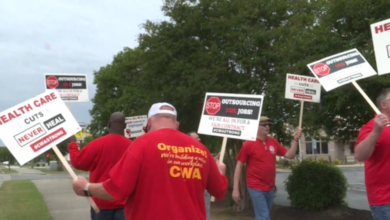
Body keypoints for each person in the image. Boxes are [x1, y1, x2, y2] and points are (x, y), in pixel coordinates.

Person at [72, 102, 228, 220]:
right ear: (176, 124)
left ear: (149, 122)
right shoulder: (200, 149)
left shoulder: (142, 144)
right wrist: (221, 172)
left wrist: (86, 188)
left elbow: (116, 189)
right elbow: (220, 191)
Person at [232, 116, 302, 220]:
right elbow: (239, 166)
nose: (267, 127)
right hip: (255, 187)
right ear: (256, 127)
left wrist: (295, 139)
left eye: (268, 124)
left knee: (262, 216)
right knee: (264, 217)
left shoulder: (273, 142)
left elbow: (290, 155)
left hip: (269, 188)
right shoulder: (248, 144)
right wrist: (235, 189)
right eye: (264, 125)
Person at [68, 112, 132, 220]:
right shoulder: (133, 147)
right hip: (125, 205)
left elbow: (77, 162)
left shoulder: (97, 144)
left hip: (100, 204)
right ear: (125, 126)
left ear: (109, 124)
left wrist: (72, 143)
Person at [354, 88, 390, 220]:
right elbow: (359, 155)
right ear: (384, 104)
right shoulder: (371, 127)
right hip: (385, 201)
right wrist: (376, 131)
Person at [187, 131, 211, 220]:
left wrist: (217, 157)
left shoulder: (203, 151)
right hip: (191, 188)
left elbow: (208, 163)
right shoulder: (184, 153)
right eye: (197, 138)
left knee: (205, 211)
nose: (199, 139)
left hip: (203, 187)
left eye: (199, 137)